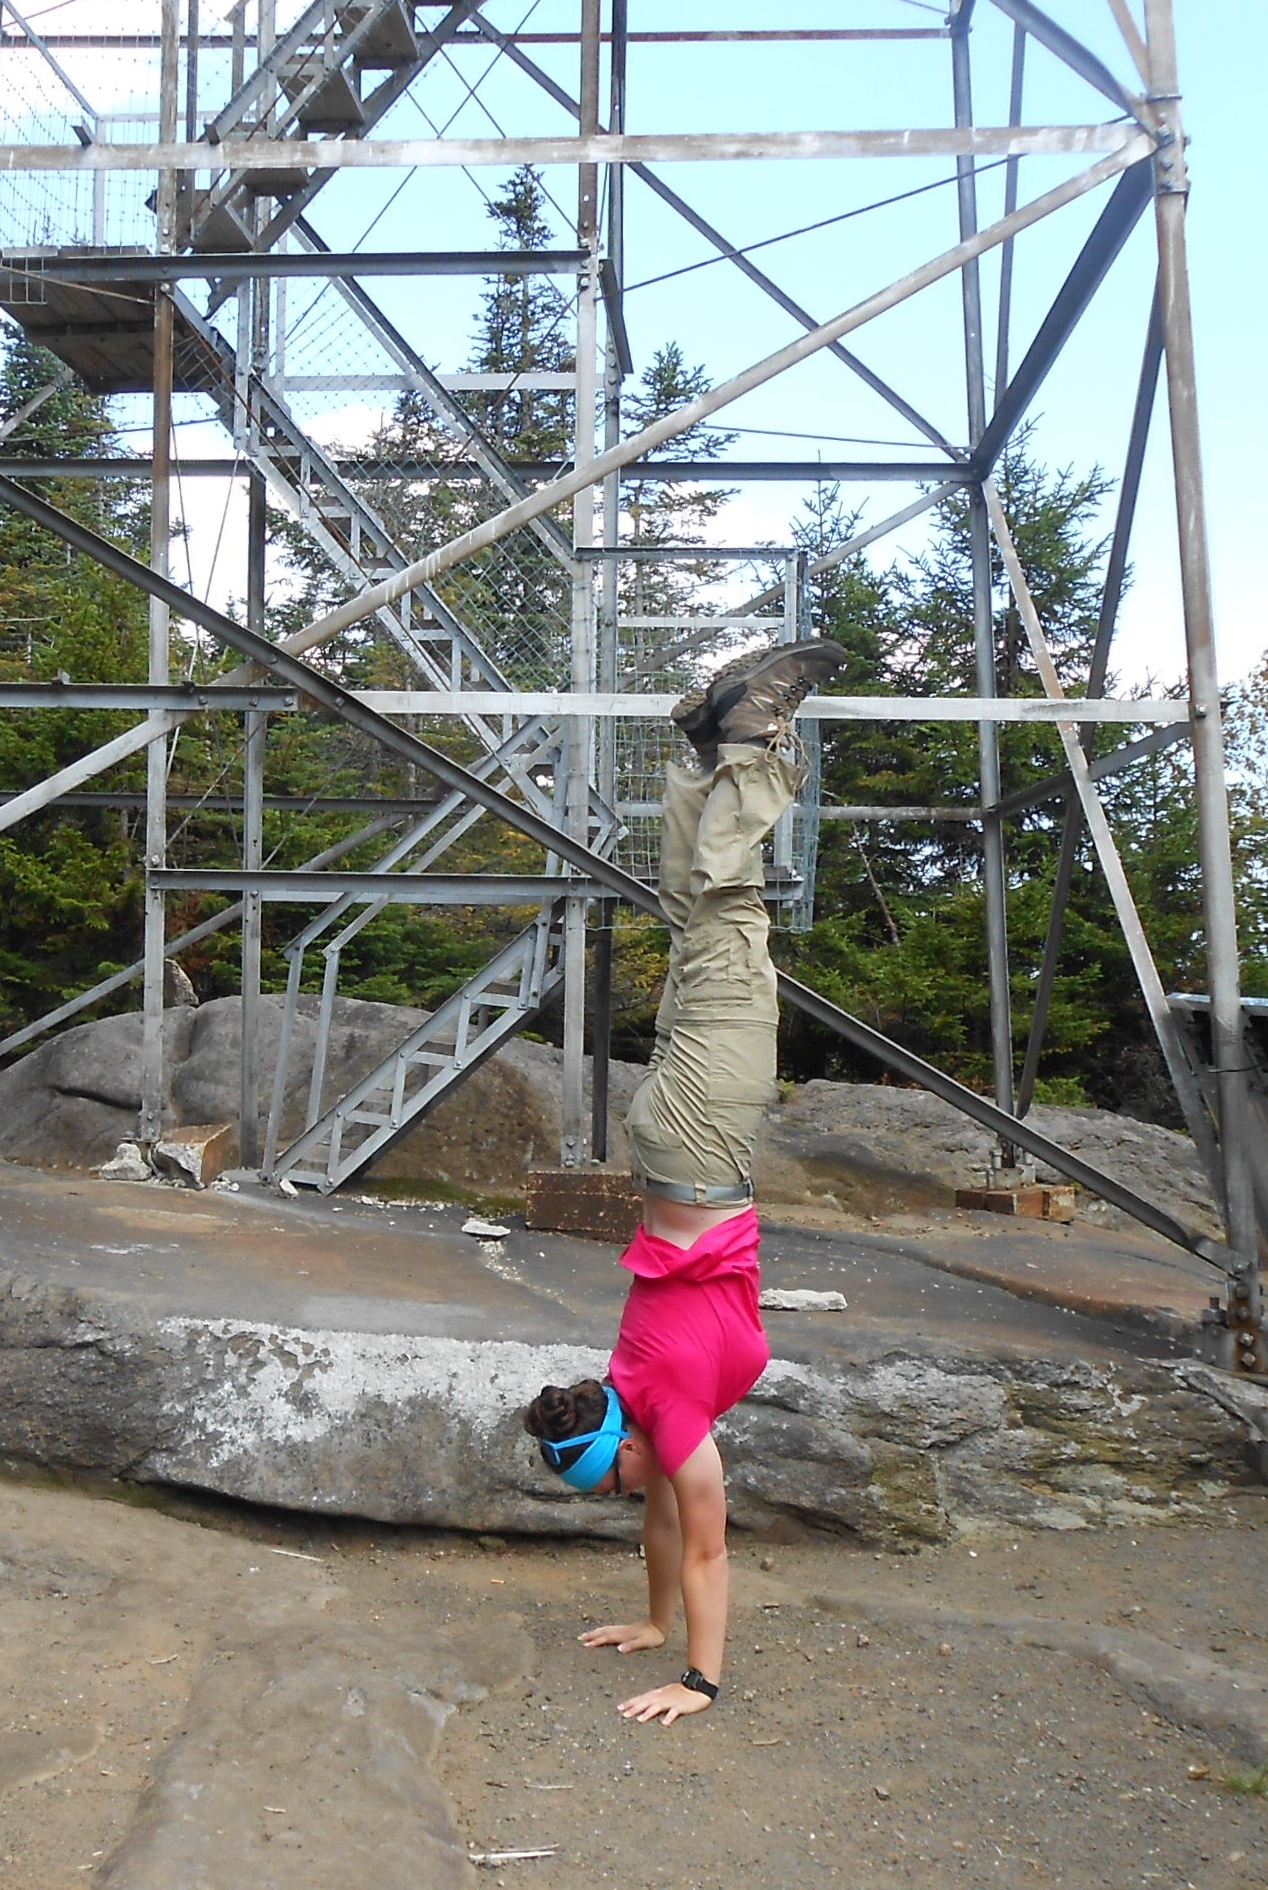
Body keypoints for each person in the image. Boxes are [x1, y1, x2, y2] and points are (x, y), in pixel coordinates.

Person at [521, 635, 845, 1726]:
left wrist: (694, 1676)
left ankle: (746, 738)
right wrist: (652, 1622)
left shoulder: (670, 1417)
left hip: (702, 1150)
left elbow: (705, 1545)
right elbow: (663, 1525)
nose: (629, 1496)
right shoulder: (647, 1412)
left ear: (620, 1441)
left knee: (728, 922)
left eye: (611, 1482)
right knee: (699, 931)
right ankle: (705, 750)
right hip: (678, 1150)